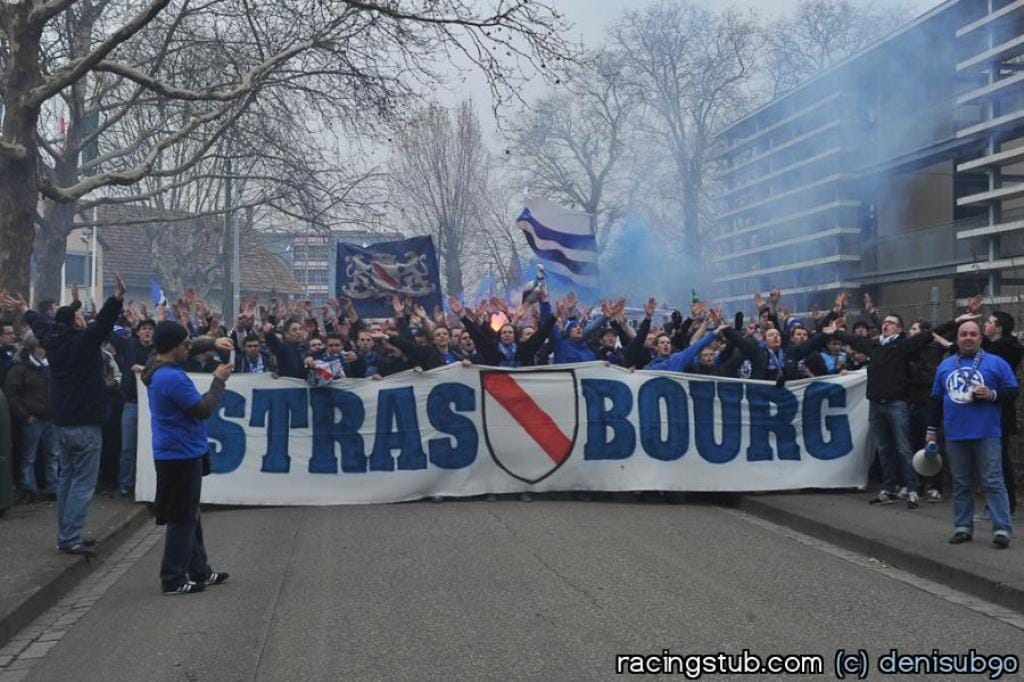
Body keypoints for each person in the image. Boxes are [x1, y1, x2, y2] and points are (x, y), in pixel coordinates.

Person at [9, 275, 126, 556]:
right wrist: (116, 298)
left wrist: (26, 309)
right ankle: (70, 537)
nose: (84, 319)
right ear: (76, 322)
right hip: (85, 423)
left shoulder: (52, 340)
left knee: (66, 481)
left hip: (62, 423)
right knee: (83, 484)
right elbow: (104, 325)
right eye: (80, 316)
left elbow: (42, 323)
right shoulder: (83, 343)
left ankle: (66, 533)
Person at [142, 321, 234, 594]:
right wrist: (219, 380)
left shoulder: (155, 363)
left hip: (183, 449)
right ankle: (173, 578)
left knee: (190, 514)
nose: (189, 347)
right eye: (185, 344)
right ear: (173, 347)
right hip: (179, 454)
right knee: (182, 518)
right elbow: (202, 409)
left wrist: (212, 342)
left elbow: (189, 346)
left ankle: (199, 571)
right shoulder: (172, 377)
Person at [928, 319, 1017, 548]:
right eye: (963, 334)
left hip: (987, 432)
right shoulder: (945, 366)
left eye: (973, 334)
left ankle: (1001, 529)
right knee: (961, 483)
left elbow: (1013, 390)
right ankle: (962, 526)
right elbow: (936, 400)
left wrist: (992, 395)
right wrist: (931, 431)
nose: (968, 338)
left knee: (993, 481)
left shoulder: (996, 363)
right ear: (957, 339)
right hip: (955, 433)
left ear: (980, 338)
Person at [4, 338, 59, 502]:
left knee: (52, 454)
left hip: (50, 417)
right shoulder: (19, 370)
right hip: (32, 418)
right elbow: (11, 395)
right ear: (32, 350)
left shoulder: (48, 368)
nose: (43, 351)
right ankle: (29, 488)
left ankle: (53, 487)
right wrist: (25, 415)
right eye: (40, 348)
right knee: (29, 456)